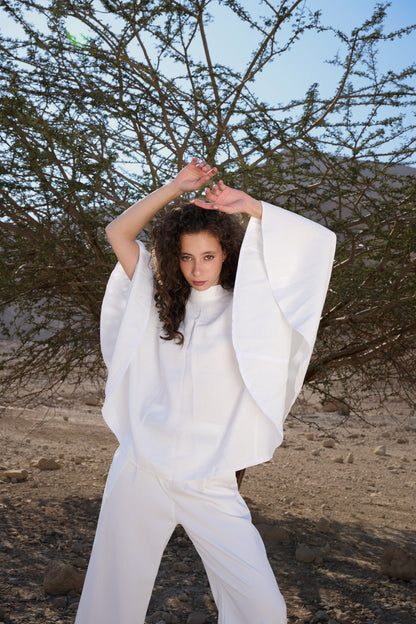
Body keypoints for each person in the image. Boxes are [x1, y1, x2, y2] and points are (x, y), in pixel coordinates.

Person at [74, 158, 336, 624]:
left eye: (210, 256)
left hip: (210, 481)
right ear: (174, 257)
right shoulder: (154, 300)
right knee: (109, 604)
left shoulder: (250, 311)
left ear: (227, 255)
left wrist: (250, 206)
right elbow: (118, 233)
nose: (198, 269)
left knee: (263, 611)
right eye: (187, 256)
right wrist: (175, 186)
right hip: (140, 471)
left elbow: (317, 246)